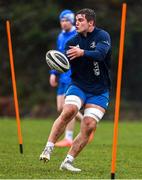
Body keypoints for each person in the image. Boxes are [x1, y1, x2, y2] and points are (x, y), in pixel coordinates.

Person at [40, 8, 111, 172]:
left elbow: (100, 54)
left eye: (80, 20)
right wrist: (55, 68)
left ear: (91, 23)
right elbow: (65, 64)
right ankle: (48, 147)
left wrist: (82, 52)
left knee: (89, 124)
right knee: (69, 110)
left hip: (100, 89)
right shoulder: (70, 42)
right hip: (79, 85)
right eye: (76, 20)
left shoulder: (103, 36)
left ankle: (68, 161)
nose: (76, 23)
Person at [49, 9, 84, 147]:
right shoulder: (60, 36)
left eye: (66, 20)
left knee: (67, 108)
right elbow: (58, 55)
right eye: (61, 20)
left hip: (72, 76)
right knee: (60, 107)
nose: (63, 23)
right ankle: (88, 123)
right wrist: (53, 73)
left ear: (72, 21)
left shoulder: (77, 35)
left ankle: (69, 138)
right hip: (62, 76)